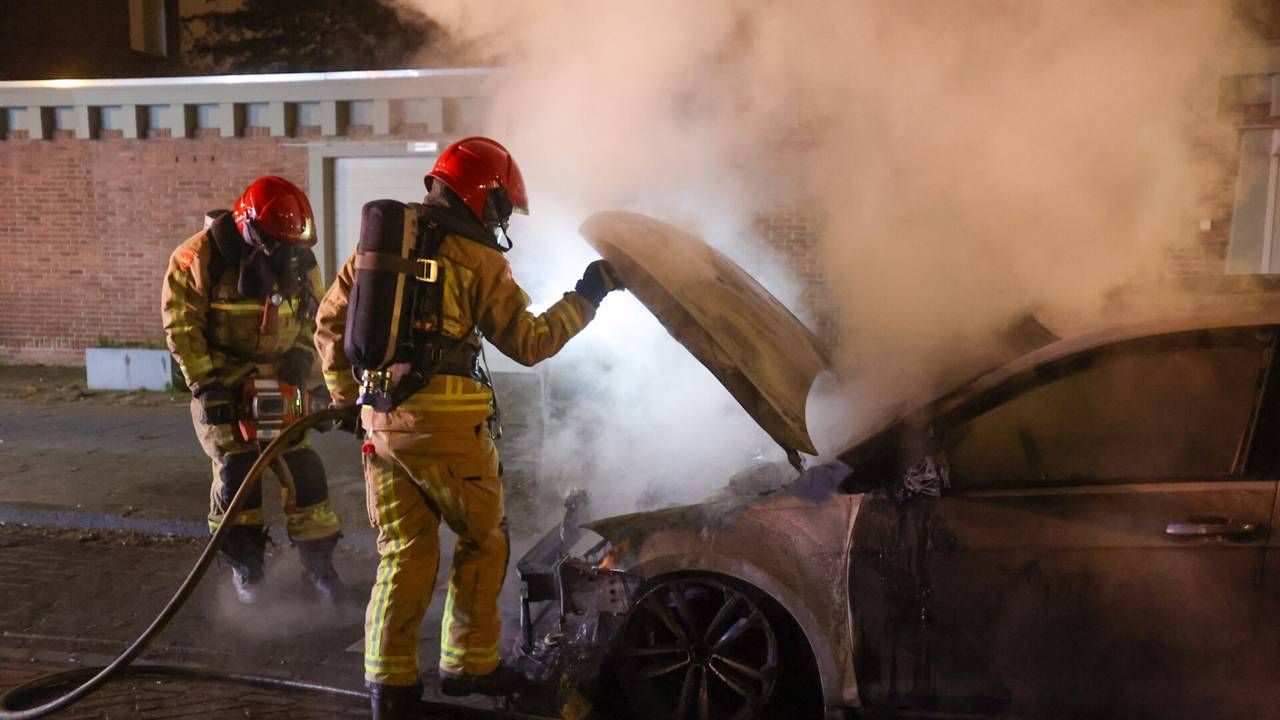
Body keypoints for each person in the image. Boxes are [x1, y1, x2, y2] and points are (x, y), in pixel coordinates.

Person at [313, 136, 622, 719]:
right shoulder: (476, 258)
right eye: (501, 206)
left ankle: (389, 687)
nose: (501, 219)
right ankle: (468, 663)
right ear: (485, 193)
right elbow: (528, 343)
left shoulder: (376, 252)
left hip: (381, 426)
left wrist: (347, 400)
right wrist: (588, 294)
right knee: (485, 540)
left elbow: (329, 323)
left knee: (403, 550)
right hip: (449, 431)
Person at [162, 175, 346, 605]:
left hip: (280, 378)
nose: (288, 256)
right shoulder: (197, 258)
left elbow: (314, 317)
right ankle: (248, 575)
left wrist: (303, 360)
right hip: (224, 380)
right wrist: (207, 387)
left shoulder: (299, 258)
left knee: (305, 473)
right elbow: (182, 328)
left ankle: (320, 569)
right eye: (280, 245)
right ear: (250, 229)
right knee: (238, 477)